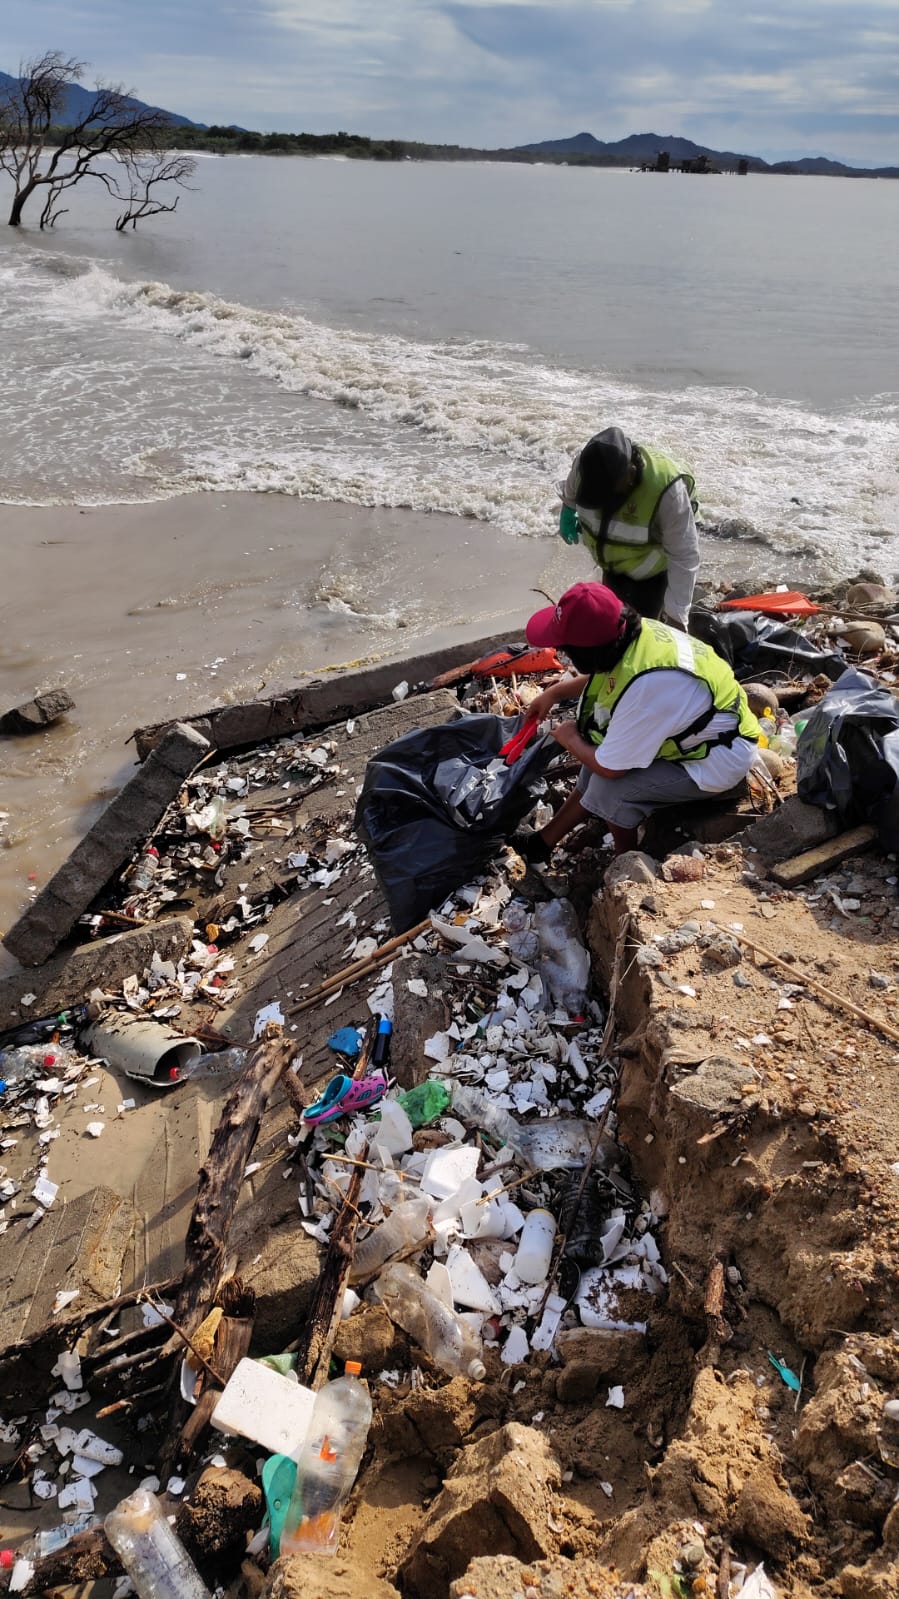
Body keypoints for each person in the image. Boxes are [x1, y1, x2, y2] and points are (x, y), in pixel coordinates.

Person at [518, 580, 759, 861]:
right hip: (697, 732)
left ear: (588, 653)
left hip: (716, 758)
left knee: (610, 789)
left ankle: (627, 862)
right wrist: (556, 692)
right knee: (591, 765)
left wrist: (570, 738)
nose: (563, 654)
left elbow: (612, 769)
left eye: (565, 649)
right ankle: (542, 843)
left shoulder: (652, 687)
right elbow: (614, 672)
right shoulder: (630, 634)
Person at [558, 426, 699, 628]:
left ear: (630, 475)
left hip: (653, 572)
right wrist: (568, 512)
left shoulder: (668, 493)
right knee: (611, 624)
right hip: (613, 564)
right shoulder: (586, 465)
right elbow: (570, 494)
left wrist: (677, 616)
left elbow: (684, 555)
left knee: (642, 631)